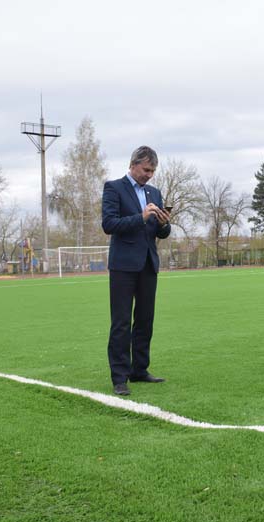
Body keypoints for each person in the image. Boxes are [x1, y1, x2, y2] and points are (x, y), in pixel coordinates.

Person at [102, 146, 171, 395]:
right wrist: (141, 217)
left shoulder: (155, 193)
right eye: (146, 170)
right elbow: (109, 224)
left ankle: (140, 369)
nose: (149, 175)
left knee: (145, 320)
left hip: (148, 264)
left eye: (153, 171)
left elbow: (161, 232)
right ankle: (120, 377)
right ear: (133, 165)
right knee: (121, 322)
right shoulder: (114, 188)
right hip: (123, 265)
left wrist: (163, 224)